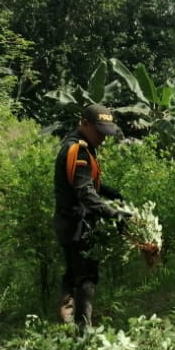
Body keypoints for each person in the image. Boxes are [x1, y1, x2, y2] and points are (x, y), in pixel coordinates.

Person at [53, 104, 130, 331]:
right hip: (75, 223)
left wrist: (110, 193)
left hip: (69, 222)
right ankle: (82, 330)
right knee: (86, 276)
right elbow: (84, 192)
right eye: (99, 132)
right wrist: (113, 213)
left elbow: (85, 181)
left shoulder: (82, 147)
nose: (103, 138)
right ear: (84, 124)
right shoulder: (78, 150)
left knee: (73, 271)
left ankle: (66, 322)